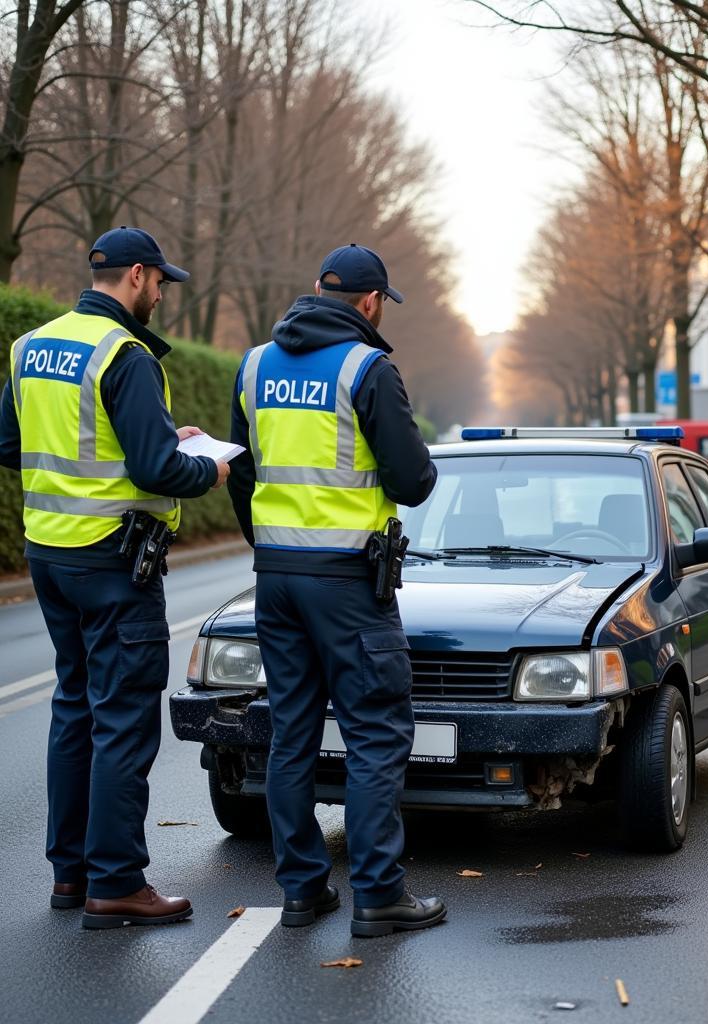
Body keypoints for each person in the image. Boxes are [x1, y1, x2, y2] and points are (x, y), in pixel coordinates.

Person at [0, 226, 231, 928]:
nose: (160, 293)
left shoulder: (30, 344)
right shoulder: (124, 354)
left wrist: (165, 437)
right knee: (124, 720)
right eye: (160, 282)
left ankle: (70, 875)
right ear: (136, 276)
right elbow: (160, 473)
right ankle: (118, 883)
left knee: (74, 708)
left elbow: (10, 446)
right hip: (113, 560)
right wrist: (209, 467)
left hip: (50, 554)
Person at [227, 243, 444, 936]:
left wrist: (268, 545)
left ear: (314, 289)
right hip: (350, 582)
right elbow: (413, 482)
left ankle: (302, 890)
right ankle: (378, 895)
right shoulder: (367, 367)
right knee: (376, 734)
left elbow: (241, 473)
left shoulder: (255, 365)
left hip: (277, 579)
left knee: (290, 733)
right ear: (372, 302)